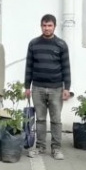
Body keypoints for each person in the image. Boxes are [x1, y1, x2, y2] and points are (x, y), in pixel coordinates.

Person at [24, 14, 71, 160]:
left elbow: (66, 67)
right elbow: (29, 66)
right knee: (40, 119)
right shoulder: (33, 44)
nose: (47, 28)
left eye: (49, 25)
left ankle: (56, 148)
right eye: (44, 25)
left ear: (54, 26)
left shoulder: (61, 45)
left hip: (56, 88)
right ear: (41, 26)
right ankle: (40, 147)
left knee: (56, 120)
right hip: (37, 88)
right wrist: (27, 86)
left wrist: (67, 87)